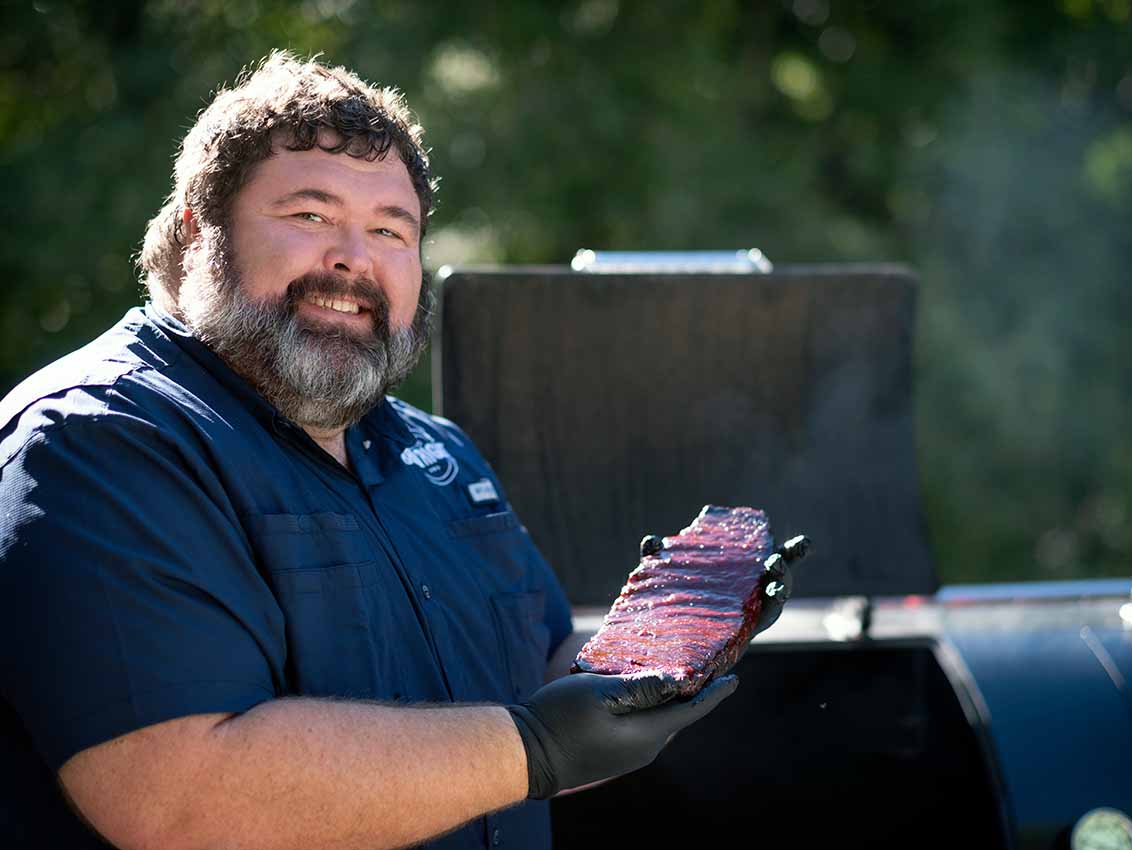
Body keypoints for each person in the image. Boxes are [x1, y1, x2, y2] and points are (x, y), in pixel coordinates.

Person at [0, 52, 787, 850]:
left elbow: (551, 695)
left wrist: (676, 637)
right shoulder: (101, 441)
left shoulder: (438, 458)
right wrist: (536, 748)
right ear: (202, 232)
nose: (355, 257)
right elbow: (177, 800)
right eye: (310, 216)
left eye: (390, 230)